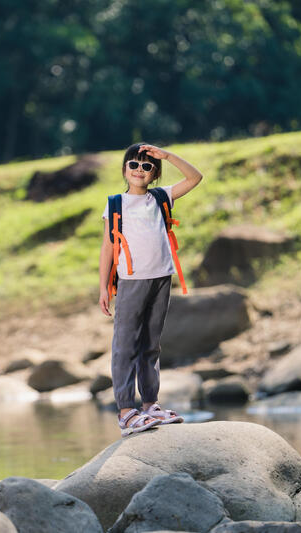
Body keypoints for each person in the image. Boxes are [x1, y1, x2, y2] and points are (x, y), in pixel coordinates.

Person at [99, 142, 204, 436]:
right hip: (132, 281)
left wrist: (167, 156)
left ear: (154, 174)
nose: (139, 170)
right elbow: (108, 248)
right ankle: (125, 410)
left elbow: (195, 178)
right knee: (125, 345)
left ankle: (149, 405)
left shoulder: (161, 197)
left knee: (151, 345)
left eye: (146, 167)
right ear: (124, 170)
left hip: (162, 278)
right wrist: (104, 287)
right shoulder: (116, 203)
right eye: (133, 165)